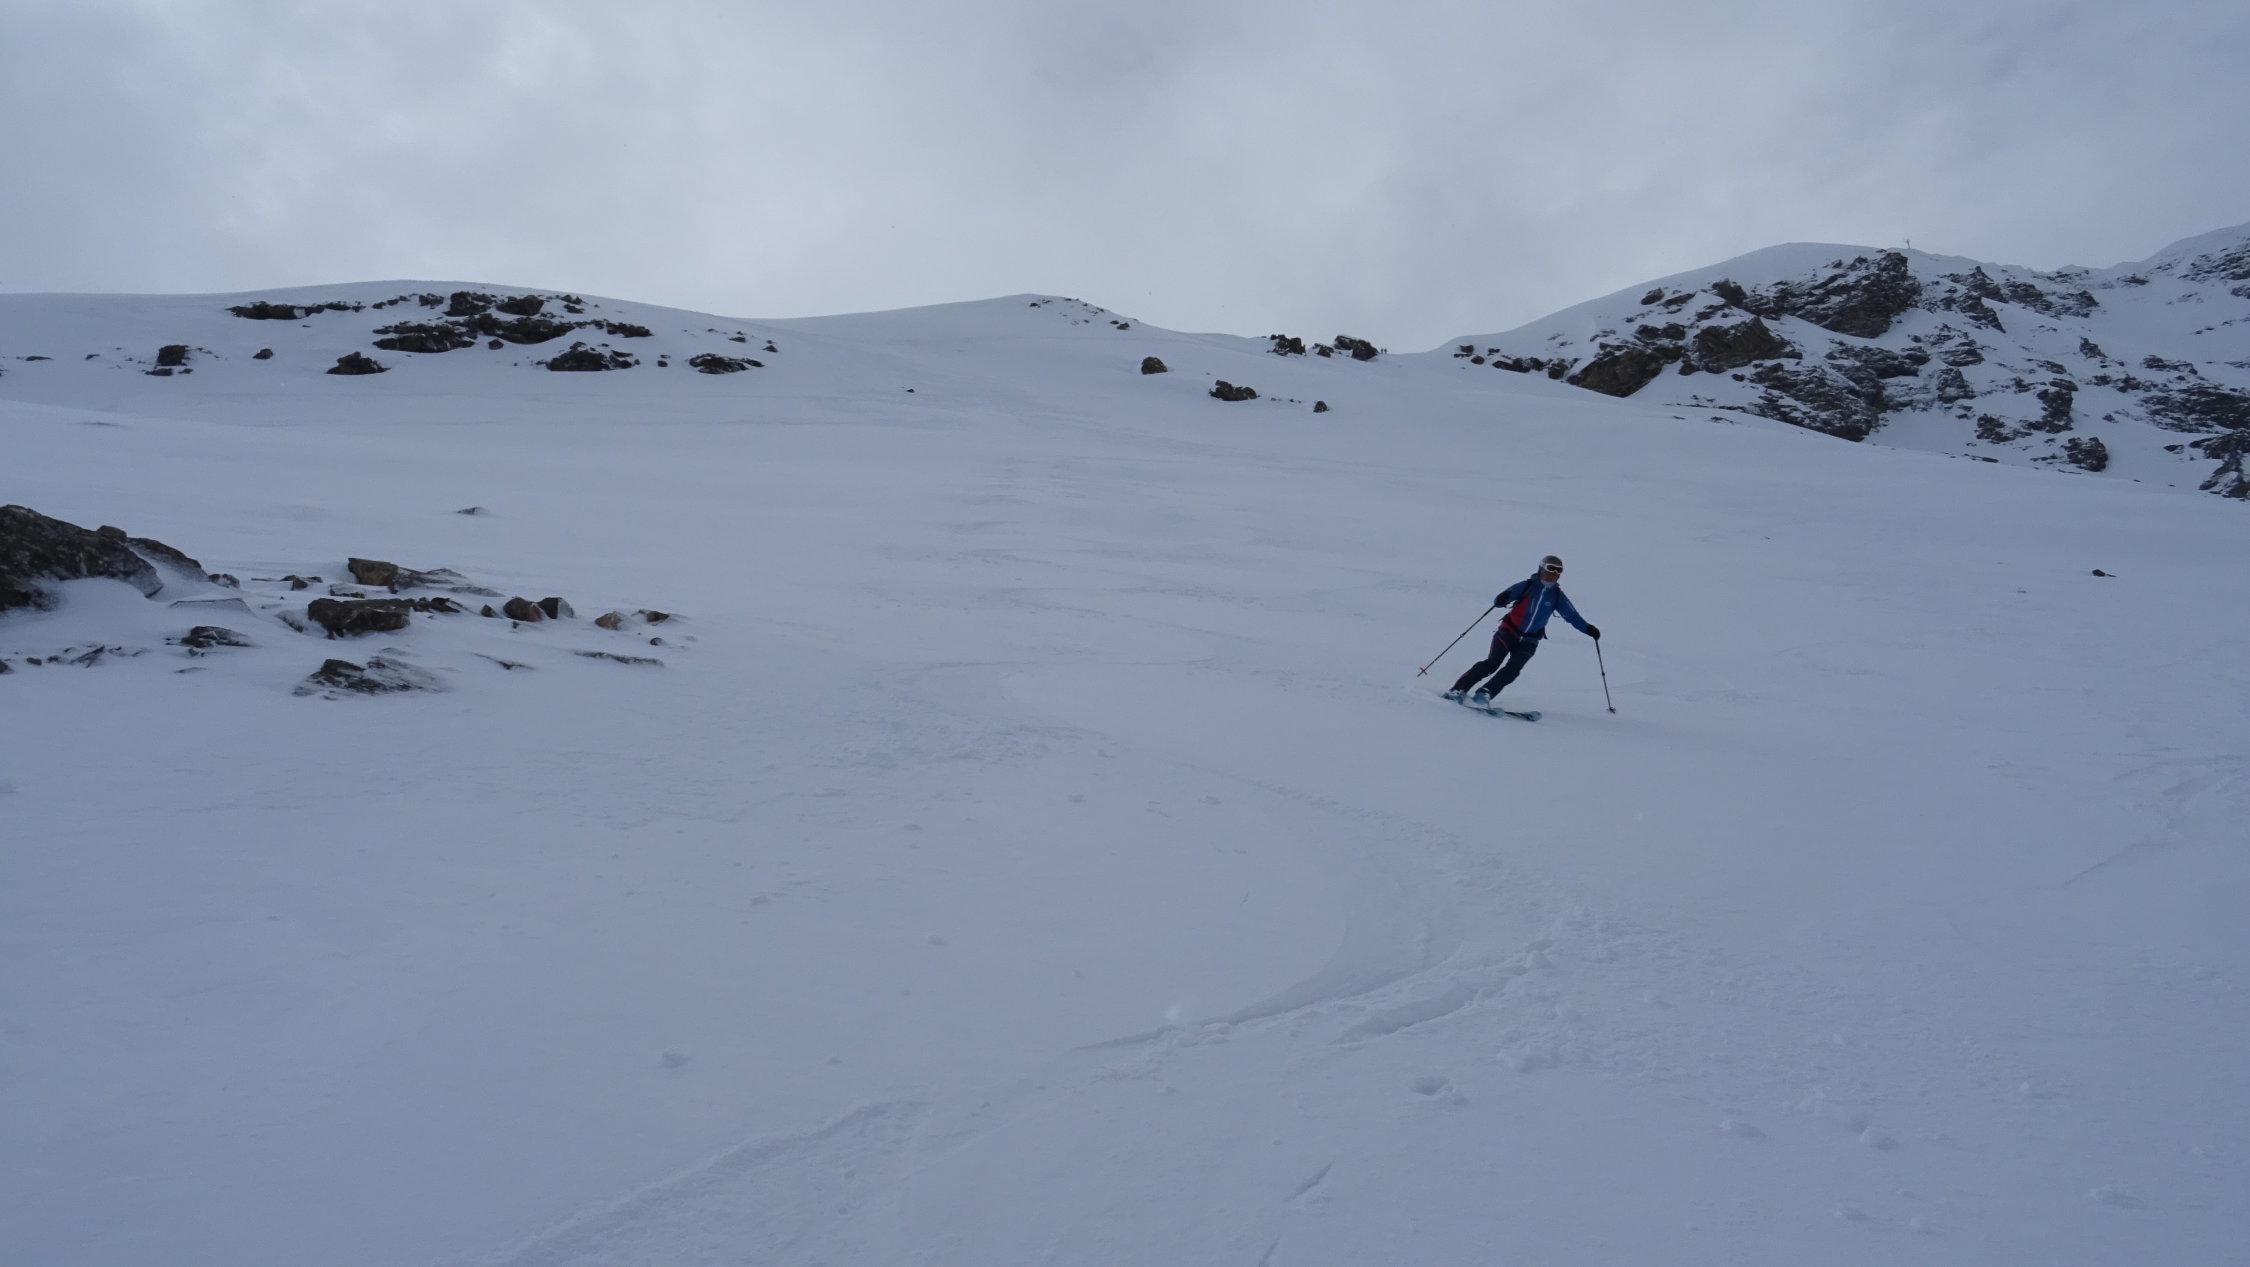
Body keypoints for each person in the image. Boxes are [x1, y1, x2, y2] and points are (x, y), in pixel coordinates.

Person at [1447, 555, 1600, 706]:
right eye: (1549, 570)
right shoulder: (1527, 586)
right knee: (1492, 663)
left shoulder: (1557, 596)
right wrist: (1502, 599)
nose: (1552, 575)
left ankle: (1485, 693)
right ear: (1541, 569)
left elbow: (1572, 616)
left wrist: (1588, 628)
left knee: (1513, 670)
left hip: (1530, 640)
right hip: (1508, 632)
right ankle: (1458, 690)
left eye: (1557, 572)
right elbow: (1503, 597)